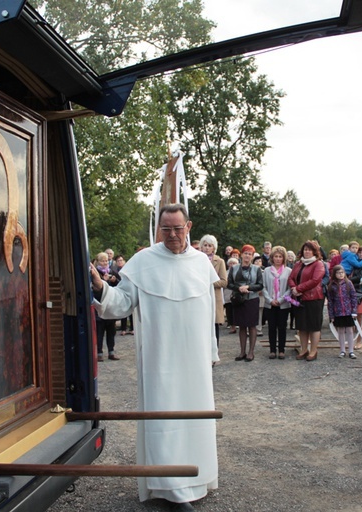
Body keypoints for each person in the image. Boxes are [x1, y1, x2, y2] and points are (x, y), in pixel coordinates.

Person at [89, 204, 218, 510]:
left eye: (178, 228)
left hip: (195, 360)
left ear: (189, 227)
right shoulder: (144, 261)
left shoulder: (202, 263)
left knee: (197, 417)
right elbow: (121, 304)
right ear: (159, 229)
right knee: (165, 418)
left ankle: (197, 480)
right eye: (166, 229)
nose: (172, 235)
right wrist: (102, 288)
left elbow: (209, 310)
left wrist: (212, 351)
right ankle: (171, 489)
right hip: (161, 360)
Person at [288, 241, 326, 361]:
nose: (307, 252)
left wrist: (299, 288)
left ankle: (313, 351)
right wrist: (294, 288)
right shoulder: (298, 264)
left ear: (314, 252)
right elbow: (291, 278)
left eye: (309, 250)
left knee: (314, 326)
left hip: (313, 298)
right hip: (299, 298)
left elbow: (315, 280)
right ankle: (304, 350)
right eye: (305, 249)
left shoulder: (318, 264)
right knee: (302, 326)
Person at [228, 244, 264, 361]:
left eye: (250, 254)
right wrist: (239, 288)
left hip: (252, 299)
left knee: (252, 326)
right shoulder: (234, 268)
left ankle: (251, 352)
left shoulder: (257, 269)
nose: (247, 256)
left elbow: (260, 285)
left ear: (253, 256)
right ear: (241, 255)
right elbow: (229, 284)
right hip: (239, 300)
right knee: (242, 326)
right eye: (245, 253)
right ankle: (242, 351)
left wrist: (249, 287)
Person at [263, 246, 292, 359]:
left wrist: (280, 300)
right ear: (272, 257)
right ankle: (272, 350)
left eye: (280, 256)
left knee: (282, 327)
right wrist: (270, 300)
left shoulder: (288, 271)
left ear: (283, 258)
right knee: (271, 327)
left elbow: (290, 288)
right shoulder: (266, 270)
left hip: (283, 304)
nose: (278, 259)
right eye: (276, 256)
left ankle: (281, 350)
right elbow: (263, 287)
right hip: (270, 304)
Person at [200, 234, 228, 349]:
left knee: (214, 326)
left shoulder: (220, 261)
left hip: (214, 298)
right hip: (200, 297)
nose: (207, 248)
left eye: (209, 245)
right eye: (205, 245)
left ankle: (214, 351)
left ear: (214, 248)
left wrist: (209, 283)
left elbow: (224, 281)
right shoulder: (197, 260)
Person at [94, 252, 120, 362]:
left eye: (106, 261)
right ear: (98, 262)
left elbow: (120, 286)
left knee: (111, 331)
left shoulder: (112, 271)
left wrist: (115, 281)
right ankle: (99, 353)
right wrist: (104, 281)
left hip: (110, 306)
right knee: (99, 332)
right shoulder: (95, 273)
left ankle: (111, 352)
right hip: (100, 307)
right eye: (102, 261)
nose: (104, 263)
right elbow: (95, 289)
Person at [328, 265, 359, 359]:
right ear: (334, 274)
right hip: (338, 312)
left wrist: (354, 311)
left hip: (348, 311)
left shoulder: (348, 283)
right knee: (340, 331)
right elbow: (330, 301)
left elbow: (353, 297)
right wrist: (331, 315)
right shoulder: (331, 285)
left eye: (342, 272)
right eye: (338, 273)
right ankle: (342, 350)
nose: (340, 274)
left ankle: (351, 351)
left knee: (350, 330)